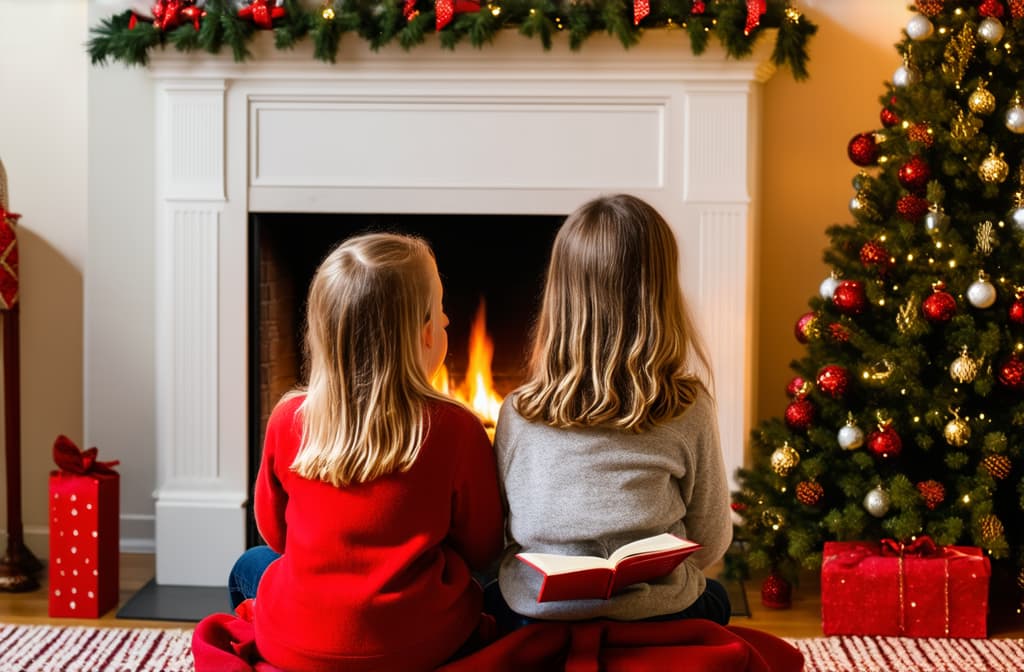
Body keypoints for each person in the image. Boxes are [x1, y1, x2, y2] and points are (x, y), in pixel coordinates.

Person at [230, 232, 504, 671]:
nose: (448, 321)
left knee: (250, 565)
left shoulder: (287, 419)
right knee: (494, 585)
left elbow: (276, 538)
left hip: (298, 650)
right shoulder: (458, 428)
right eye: (439, 309)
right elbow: (483, 547)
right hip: (422, 649)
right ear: (425, 333)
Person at [489, 193, 733, 630]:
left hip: (539, 617)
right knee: (717, 598)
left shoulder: (517, 412)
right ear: (661, 295)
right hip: (655, 613)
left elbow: (498, 534)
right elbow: (710, 539)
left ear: (561, 296)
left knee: (488, 599)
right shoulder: (689, 407)